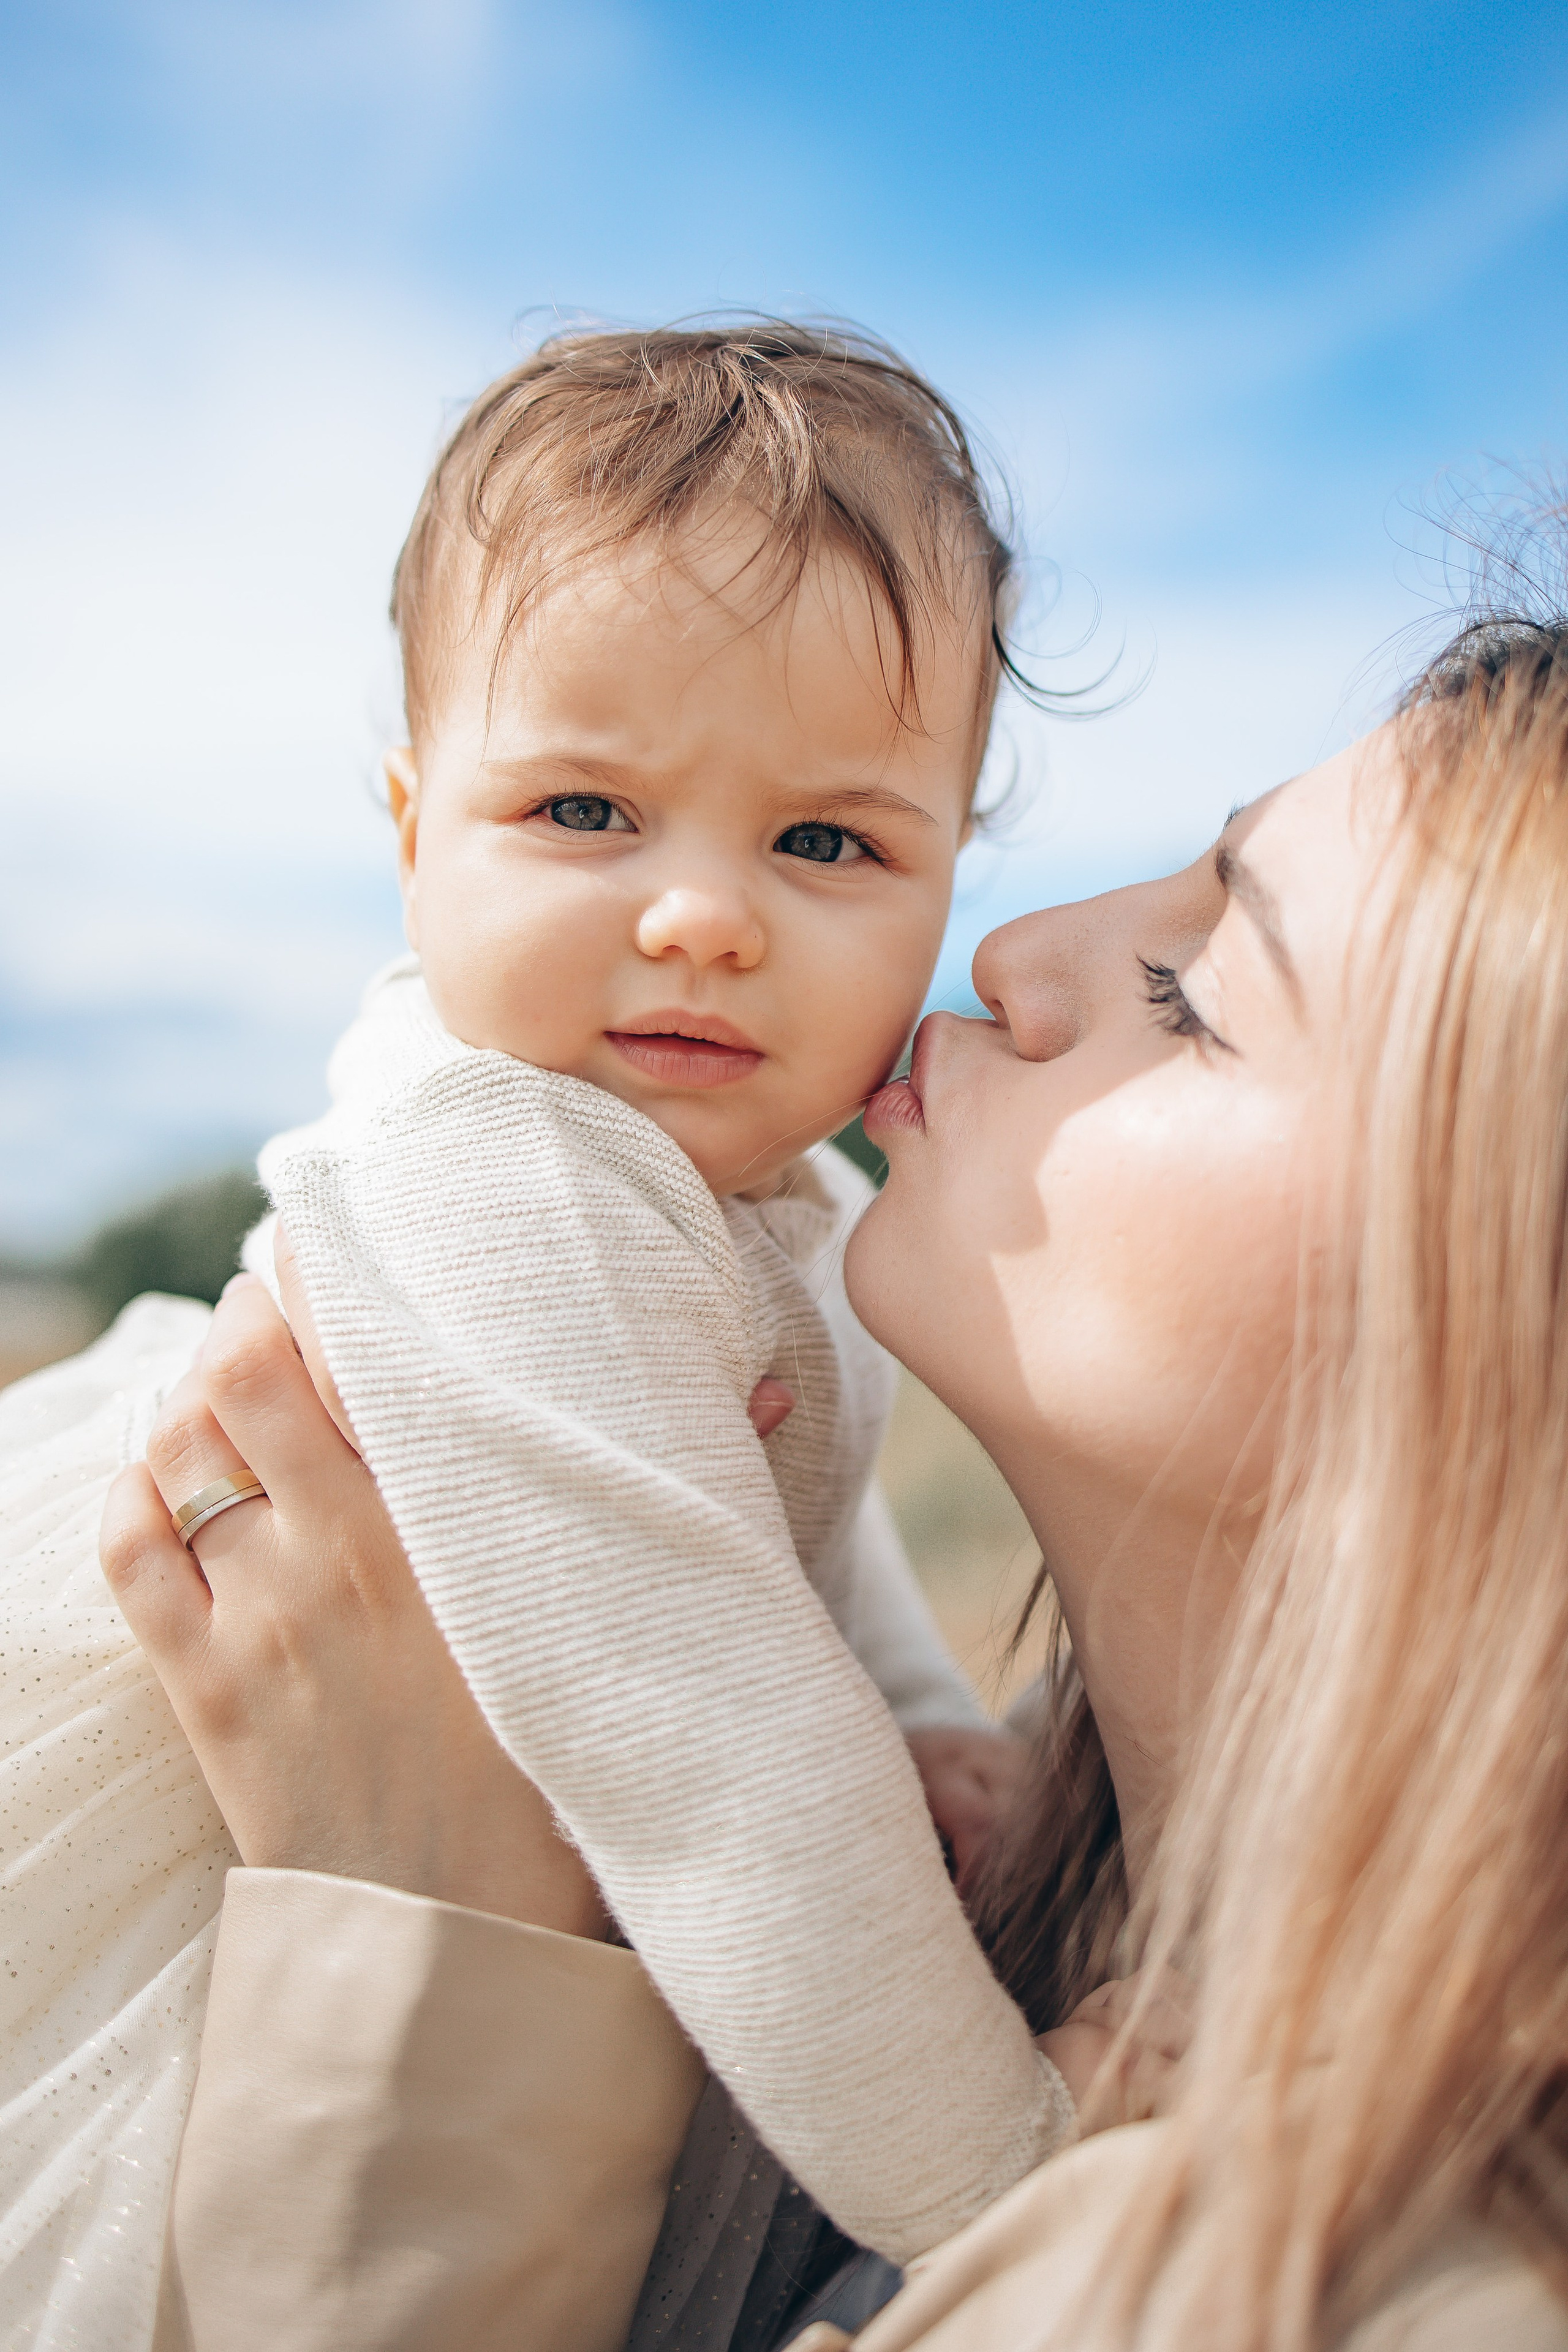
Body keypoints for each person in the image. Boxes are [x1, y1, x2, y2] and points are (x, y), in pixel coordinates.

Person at [105, 576, 1568, 2349]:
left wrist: (443, 1944)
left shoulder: (1401, 2300)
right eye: (583, 810)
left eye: (1193, 991)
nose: (1017, 955)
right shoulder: (1056, 1935)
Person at [0, 322, 1109, 2350]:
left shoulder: (772, 1200)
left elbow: (785, 1530)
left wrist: (932, 1715)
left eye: (829, 843)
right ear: (416, 830)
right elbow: (713, 1748)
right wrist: (1009, 2195)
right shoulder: (502, 1181)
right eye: (588, 809)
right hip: (172, 1933)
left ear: (950, 876)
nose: (704, 915)